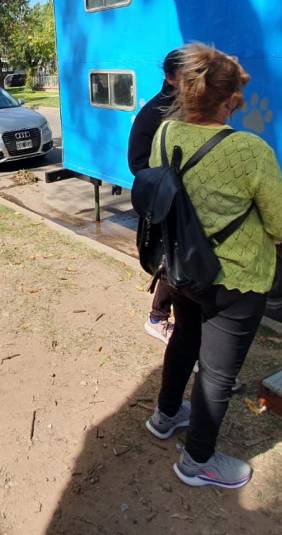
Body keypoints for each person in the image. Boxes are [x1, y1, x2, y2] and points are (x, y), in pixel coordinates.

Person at [144, 43, 282, 489]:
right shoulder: (249, 151)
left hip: (183, 269)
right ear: (231, 99)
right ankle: (197, 462)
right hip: (236, 280)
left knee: (183, 342)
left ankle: (165, 415)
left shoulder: (164, 135)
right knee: (216, 374)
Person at [129, 49, 184, 343]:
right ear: (170, 76)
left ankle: (161, 317)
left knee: (179, 262)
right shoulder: (157, 111)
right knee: (170, 261)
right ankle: (158, 318)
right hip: (165, 202)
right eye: (186, 73)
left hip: (184, 202)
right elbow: (137, 164)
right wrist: (166, 188)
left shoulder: (189, 107)